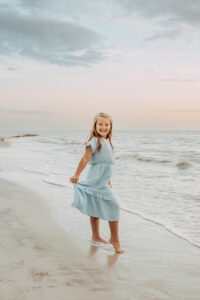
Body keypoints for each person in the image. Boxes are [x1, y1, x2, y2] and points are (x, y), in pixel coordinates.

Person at [70, 112, 124, 254]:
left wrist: (108, 181)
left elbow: (107, 165)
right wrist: (77, 174)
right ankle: (115, 240)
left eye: (106, 124)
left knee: (95, 206)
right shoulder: (95, 141)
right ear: (95, 125)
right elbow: (85, 158)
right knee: (115, 206)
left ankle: (95, 235)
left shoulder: (108, 143)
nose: (103, 127)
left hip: (102, 182)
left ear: (110, 126)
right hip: (94, 180)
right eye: (100, 124)